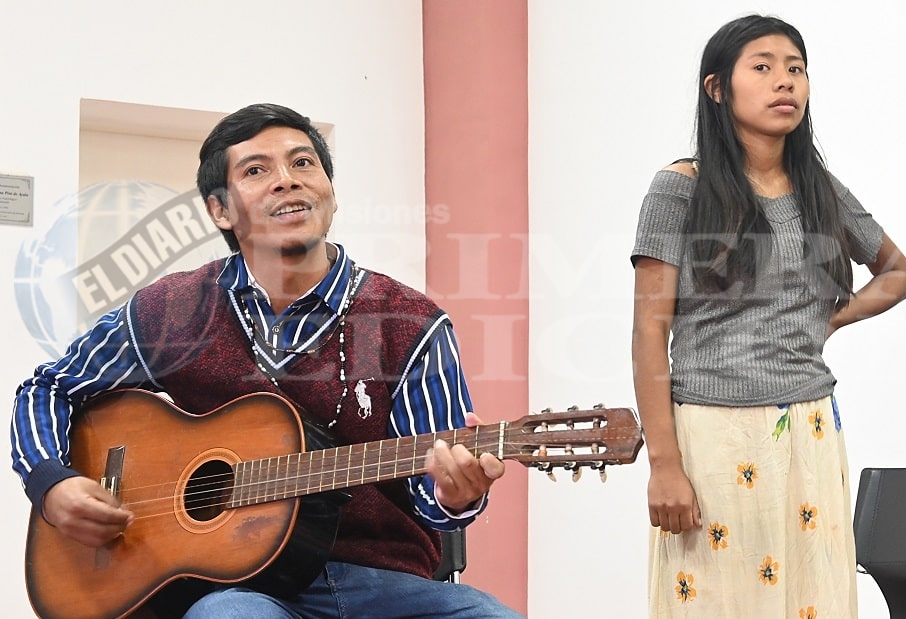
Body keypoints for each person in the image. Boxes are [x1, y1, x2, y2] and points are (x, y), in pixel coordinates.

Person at [11, 103, 524, 619]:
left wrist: (455, 494)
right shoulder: (171, 310)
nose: (287, 180)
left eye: (303, 163)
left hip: (384, 584)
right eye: (256, 170)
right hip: (238, 591)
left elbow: (437, 504)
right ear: (220, 211)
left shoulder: (410, 321)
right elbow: (49, 388)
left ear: (330, 191)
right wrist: (52, 483)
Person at [630, 15, 906, 618]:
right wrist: (664, 465)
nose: (784, 81)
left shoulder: (819, 188)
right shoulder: (679, 188)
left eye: (795, 69)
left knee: (814, 601)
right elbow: (650, 331)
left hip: (811, 431)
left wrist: (829, 321)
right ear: (717, 88)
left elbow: (898, 273)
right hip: (712, 438)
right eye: (762, 67)